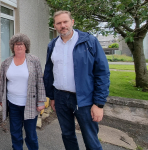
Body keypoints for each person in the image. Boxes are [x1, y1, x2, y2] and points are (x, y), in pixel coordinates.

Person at [43, 11, 110, 150]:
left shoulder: (89, 41)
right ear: (54, 26)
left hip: (84, 99)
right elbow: (49, 72)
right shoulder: (52, 45)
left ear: (72, 22)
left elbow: (102, 72)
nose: (63, 26)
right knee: (67, 135)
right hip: (60, 97)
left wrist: (99, 103)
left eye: (65, 22)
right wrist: (52, 97)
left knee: (90, 138)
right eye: (59, 23)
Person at [0, 33, 46, 150]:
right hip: (13, 104)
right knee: (15, 133)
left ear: (26, 46)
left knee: (31, 134)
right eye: (16, 44)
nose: (19, 46)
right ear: (12, 47)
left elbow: (40, 81)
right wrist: (1, 98)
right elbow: (2, 82)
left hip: (30, 103)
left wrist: (41, 101)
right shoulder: (6, 62)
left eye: (22, 44)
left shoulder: (34, 60)